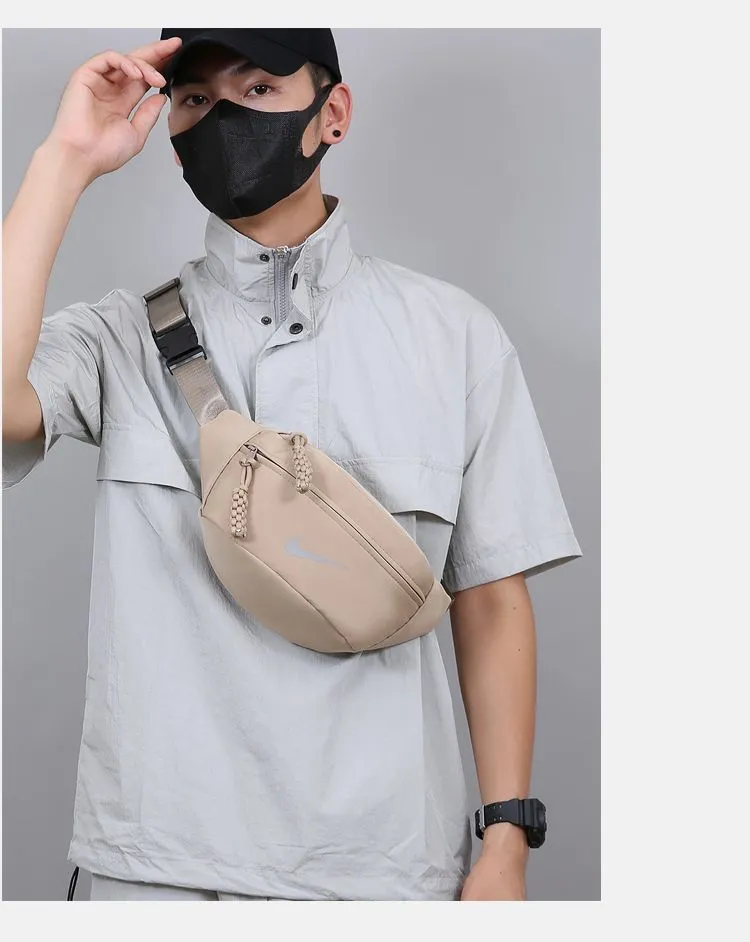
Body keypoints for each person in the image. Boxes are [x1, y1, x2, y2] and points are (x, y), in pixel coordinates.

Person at [2, 29, 582, 902]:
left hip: (385, 870)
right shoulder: (117, 339)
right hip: (154, 868)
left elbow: (494, 601)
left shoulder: (454, 337)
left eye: (258, 89)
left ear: (333, 113)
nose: (223, 117)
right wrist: (63, 162)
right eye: (195, 99)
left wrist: (506, 842)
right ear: (171, 134)